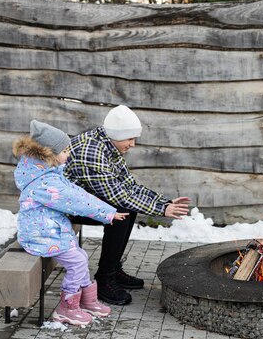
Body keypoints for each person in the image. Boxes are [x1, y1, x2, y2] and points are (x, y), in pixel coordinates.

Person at [64, 105, 190, 306]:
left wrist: (162, 202)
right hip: (63, 207)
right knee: (119, 211)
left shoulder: (107, 143)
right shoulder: (91, 151)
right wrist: (161, 210)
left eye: (134, 138)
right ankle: (105, 278)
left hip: (82, 200)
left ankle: (112, 269)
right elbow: (117, 195)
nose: (133, 144)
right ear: (116, 134)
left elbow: (128, 185)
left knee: (126, 209)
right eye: (129, 139)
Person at [13, 120, 128, 326]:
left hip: (50, 230)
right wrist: (107, 213)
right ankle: (67, 307)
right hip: (40, 235)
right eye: (65, 150)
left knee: (80, 256)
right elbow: (74, 200)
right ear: (48, 153)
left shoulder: (47, 173)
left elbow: (76, 192)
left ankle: (87, 300)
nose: (68, 154)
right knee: (77, 262)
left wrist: (107, 210)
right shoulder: (45, 183)